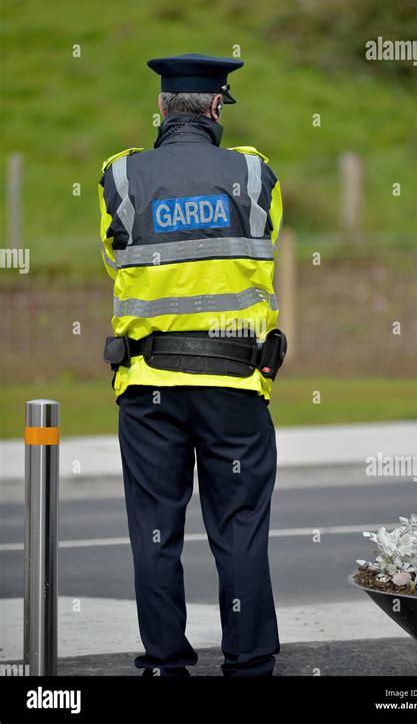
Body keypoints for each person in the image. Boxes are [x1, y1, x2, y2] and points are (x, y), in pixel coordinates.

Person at [98, 53, 286, 677]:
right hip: (234, 383)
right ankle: (250, 661)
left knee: (155, 532)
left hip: (150, 387)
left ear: (161, 108)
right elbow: (266, 244)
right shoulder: (256, 176)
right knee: (239, 531)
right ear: (214, 108)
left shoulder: (121, 178)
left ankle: (165, 662)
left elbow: (115, 259)